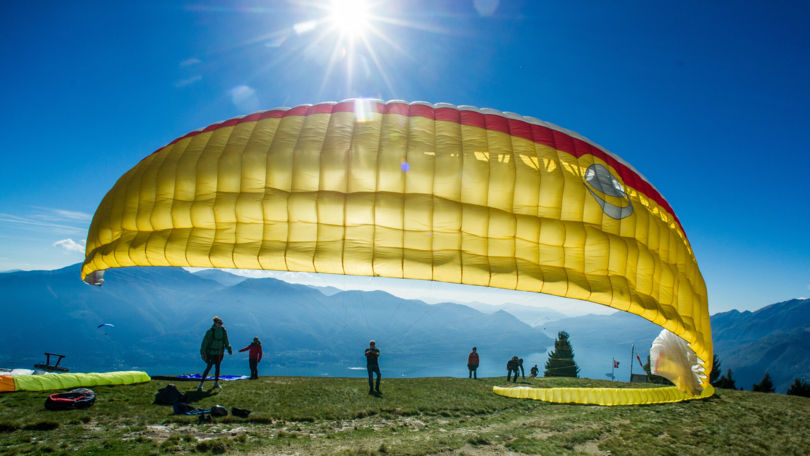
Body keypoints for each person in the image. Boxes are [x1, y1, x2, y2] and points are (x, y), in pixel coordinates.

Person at [198, 316, 232, 390]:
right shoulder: (210, 331)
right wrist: (203, 353)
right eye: (219, 323)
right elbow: (205, 343)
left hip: (219, 352)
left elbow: (226, 340)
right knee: (209, 367)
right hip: (211, 353)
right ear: (215, 323)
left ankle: (216, 383)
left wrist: (229, 348)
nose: (221, 324)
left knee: (217, 367)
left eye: (221, 323)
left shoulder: (223, 331)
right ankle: (201, 384)